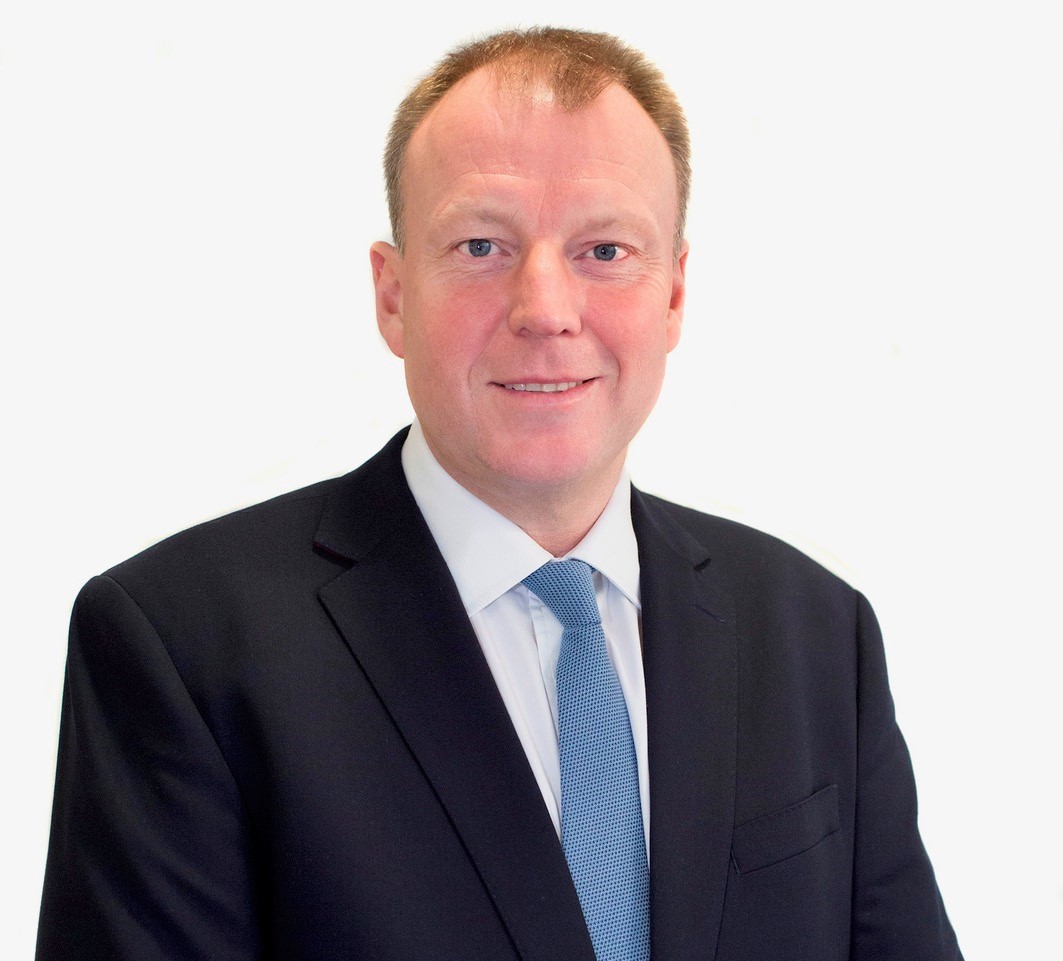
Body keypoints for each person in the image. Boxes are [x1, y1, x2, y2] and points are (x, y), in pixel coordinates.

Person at [36, 26, 962, 961]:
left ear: (674, 294)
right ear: (392, 295)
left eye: (605, 249)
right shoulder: (181, 646)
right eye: (481, 245)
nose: (545, 308)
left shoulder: (815, 635)